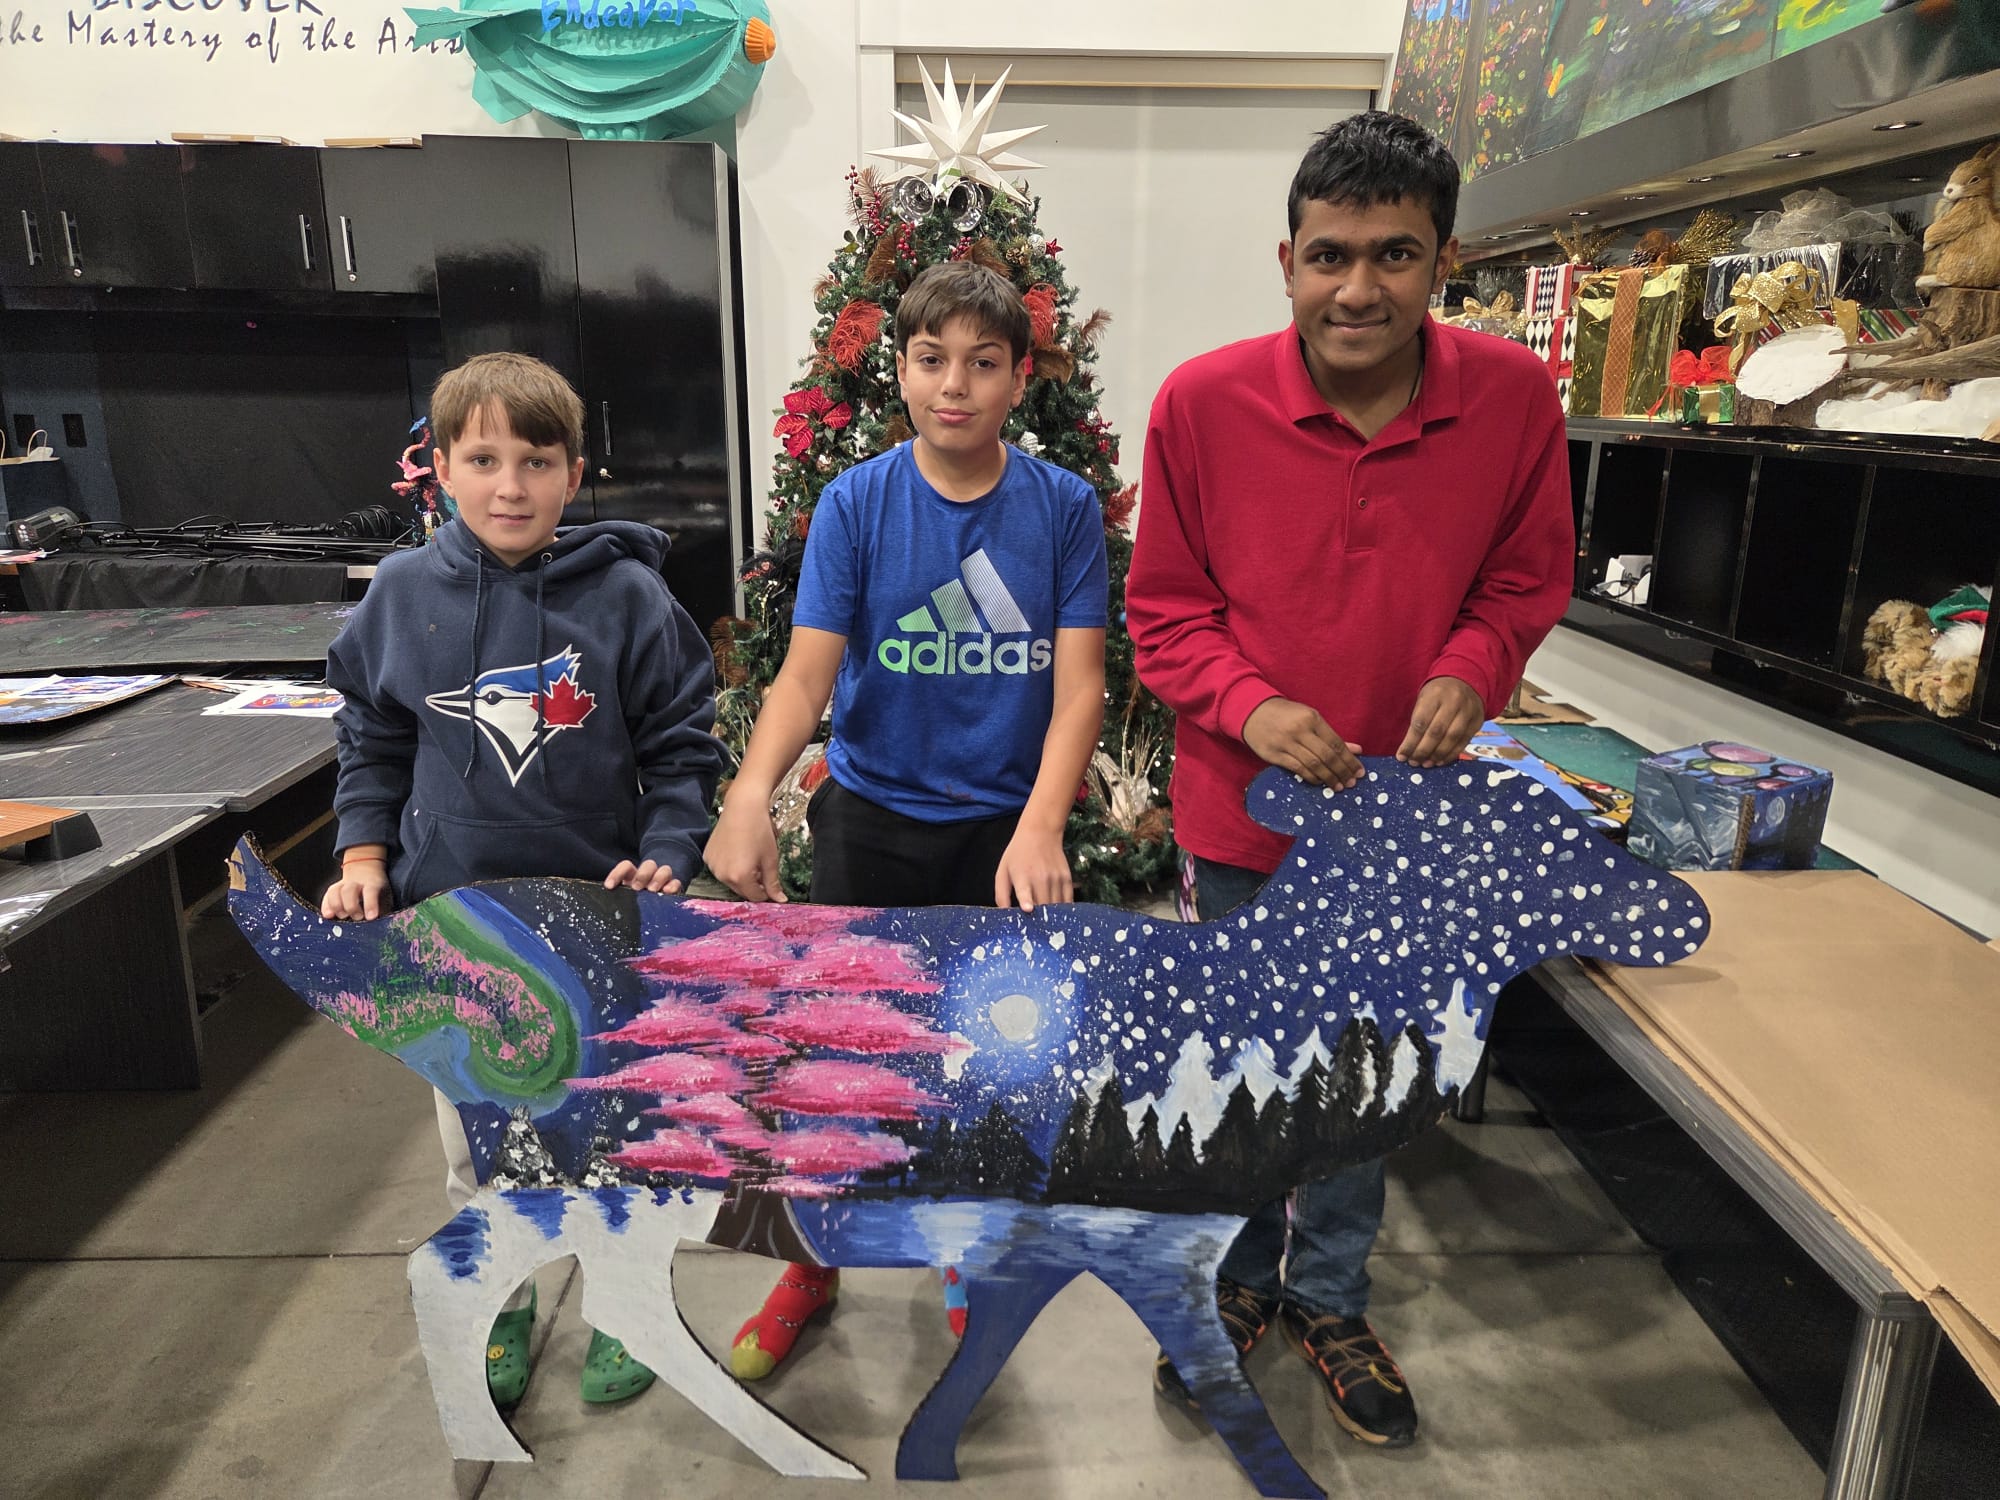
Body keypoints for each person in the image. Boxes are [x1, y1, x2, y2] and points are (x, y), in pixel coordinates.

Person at [1126, 111, 1575, 1449]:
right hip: (1238, 822)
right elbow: (1164, 613)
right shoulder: (1199, 404)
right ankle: (1236, 1281)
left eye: (1394, 254)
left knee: (1368, 1082)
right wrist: (1250, 707)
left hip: (1406, 826)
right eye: (1329, 256)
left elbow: (1523, 580)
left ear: (1446, 261)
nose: (1358, 288)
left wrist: (1474, 667)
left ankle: (1329, 1298)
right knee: (1243, 1070)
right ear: (1287, 261)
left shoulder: (1513, 401)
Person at [704, 260, 1109, 1379]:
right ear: (900, 369)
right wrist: (748, 794)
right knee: (833, 1057)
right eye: (932, 360)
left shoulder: (1062, 509)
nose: (955, 385)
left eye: (984, 363)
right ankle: (812, 1258)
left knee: (984, 1065)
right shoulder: (857, 503)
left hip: (1001, 834)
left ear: (1020, 378)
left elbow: (1079, 688)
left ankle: (964, 1246)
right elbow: (803, 678)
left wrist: (1042, 824)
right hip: (870, 821)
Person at [320, 350, 725, 1409]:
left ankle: (626, 1306)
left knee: (609, 1133)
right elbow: (371, 736)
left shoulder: (629, 597)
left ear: (573, 473)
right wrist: (362, 854)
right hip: (452, 926)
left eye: (537, 461)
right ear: (442, 469)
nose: (511, 485)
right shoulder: (401, 595)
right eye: (484, 459)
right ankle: (499, 1298)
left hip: (599, 924)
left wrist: (671, 850)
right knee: (476, 1141)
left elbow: (683, 746)